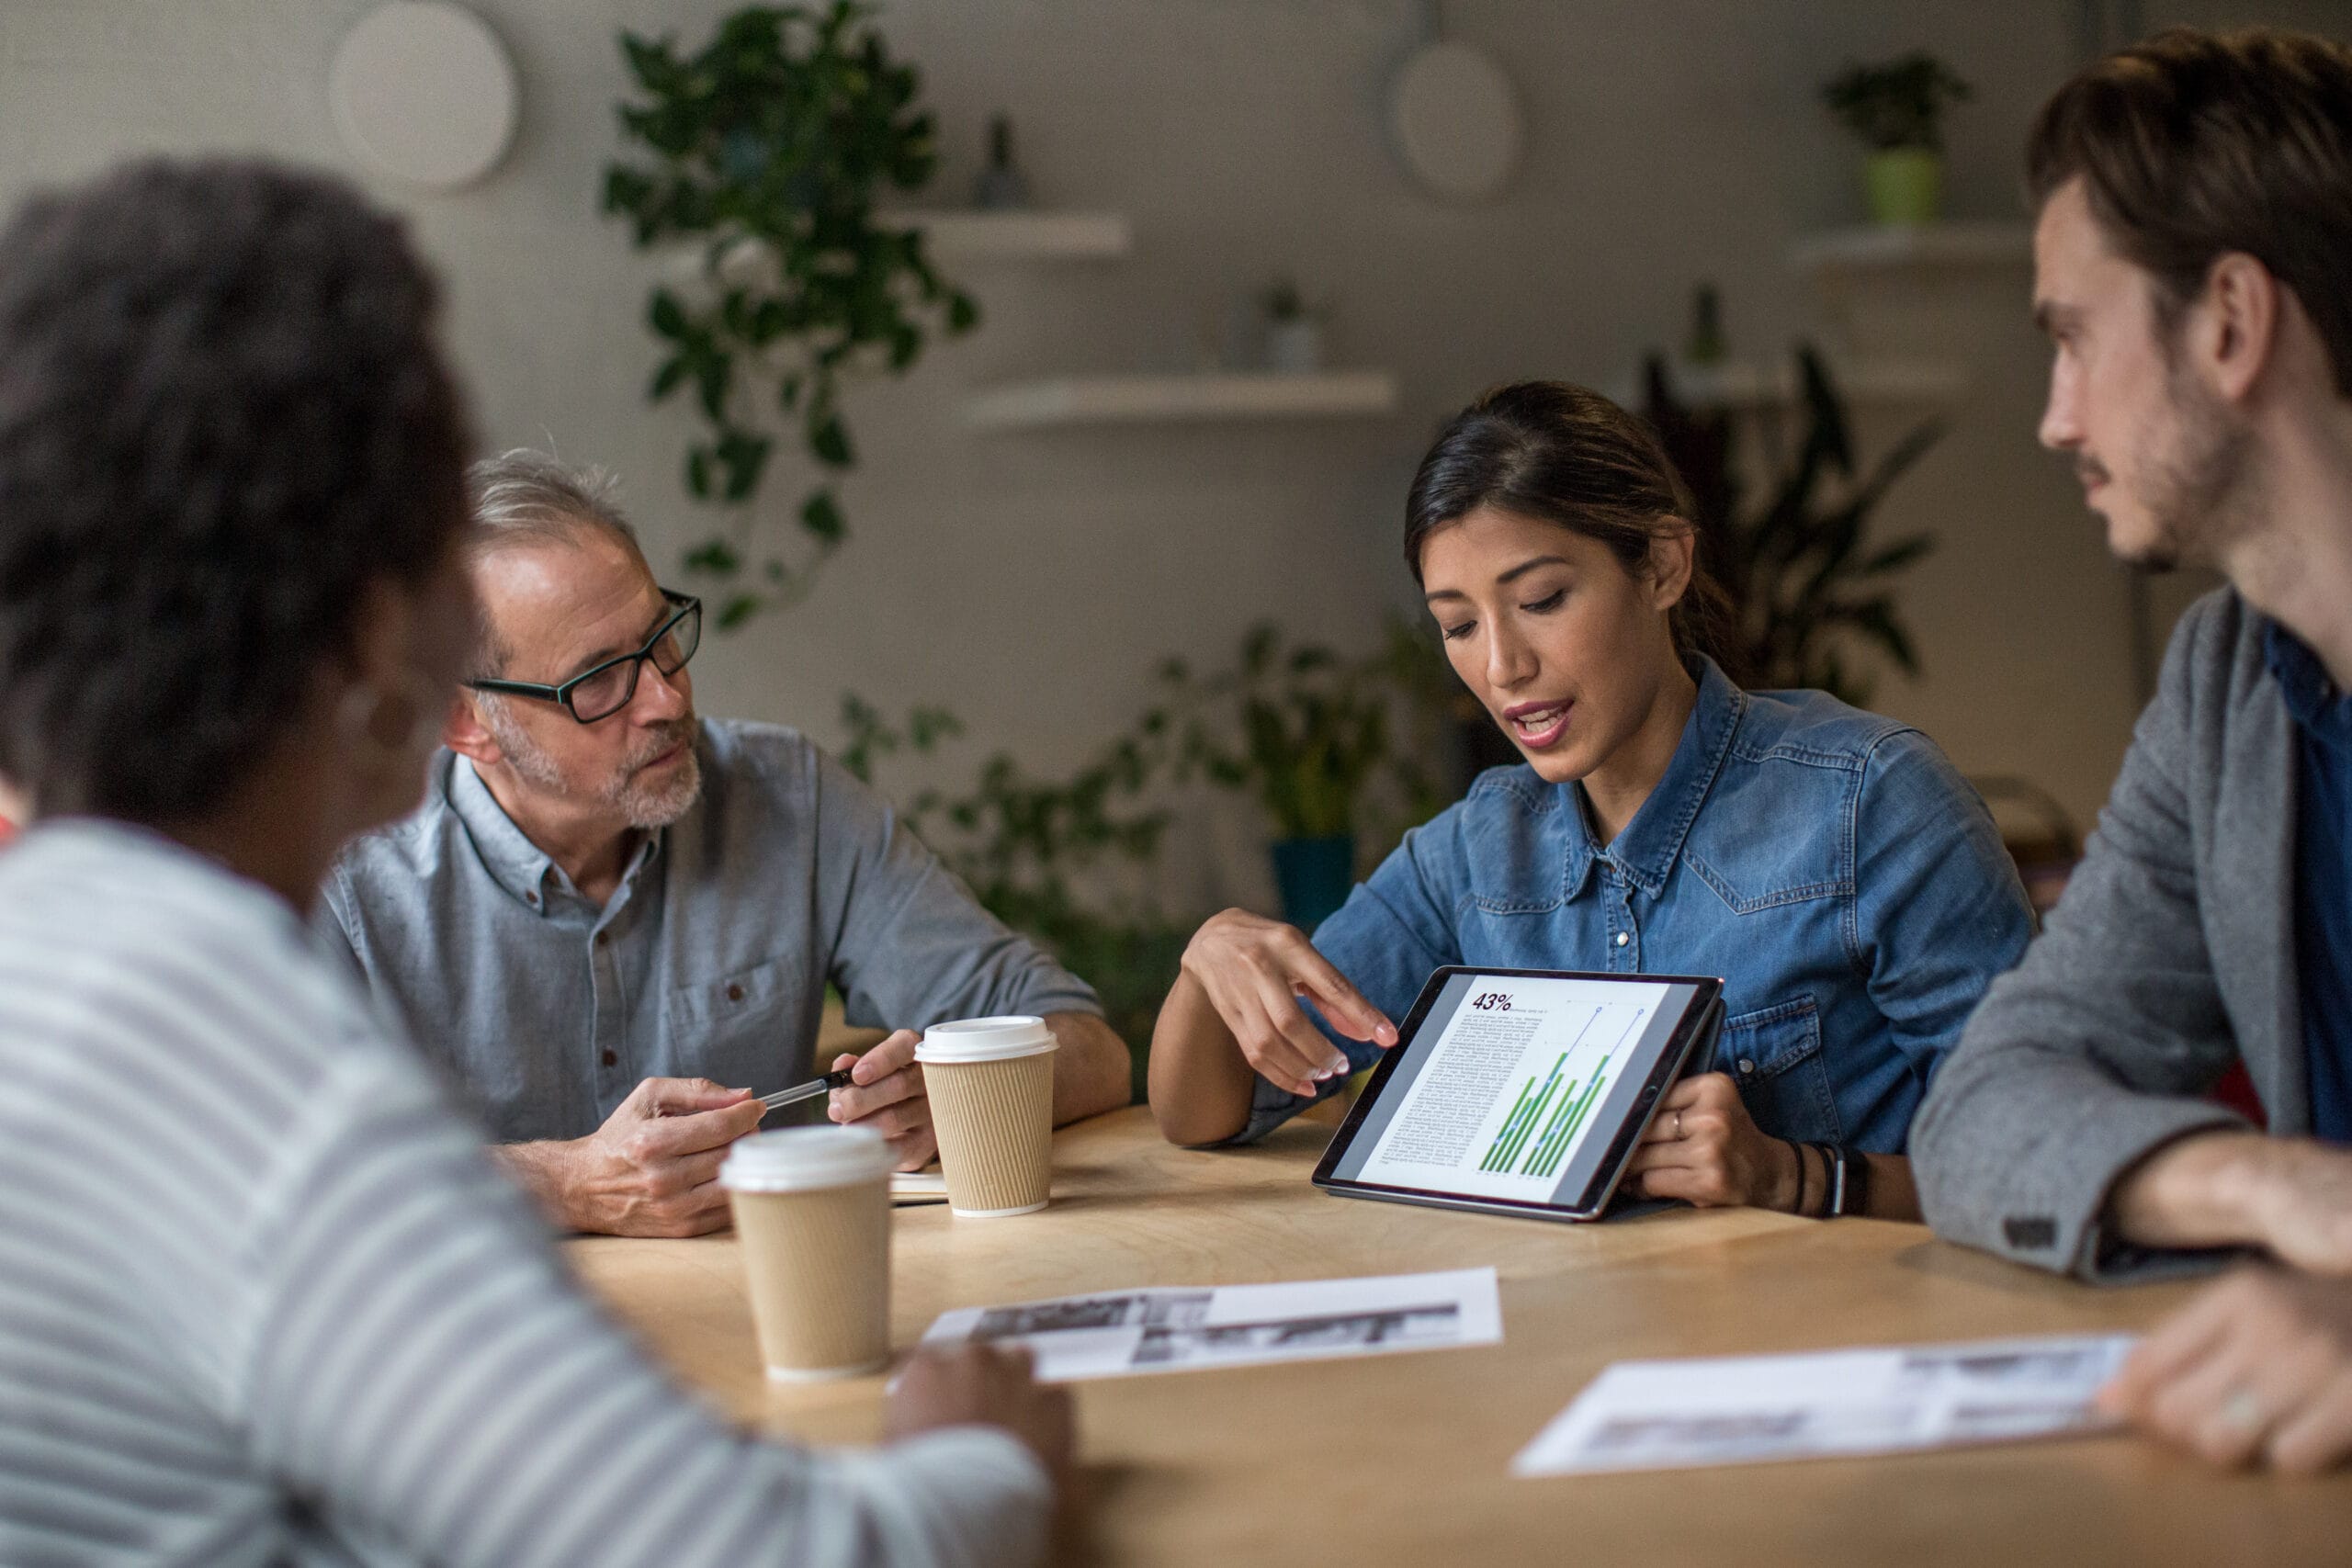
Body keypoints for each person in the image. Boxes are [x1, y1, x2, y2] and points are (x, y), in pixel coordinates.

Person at [0, 156, 1070, 1564]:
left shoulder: (59, 961)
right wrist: (981, 1455)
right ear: (399, 642)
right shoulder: (256, 1077)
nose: (661, 693)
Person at [1149, 379, 2033, 1220]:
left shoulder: (1871, 804)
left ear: (1662, 566)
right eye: (1459, 625)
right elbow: (1207, 1114)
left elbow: (2050, 1159)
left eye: (1541, 599)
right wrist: (1211, 960)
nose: (1502, 667)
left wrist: (1800, 1176)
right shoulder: (1473, 851)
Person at [317, 450, 1133, 1236]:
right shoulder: (349, 881)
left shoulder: (789, 800)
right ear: (466, 721)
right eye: (598, 679)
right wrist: (569, 1182)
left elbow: (1087, 1044)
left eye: (661, 636)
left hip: (771, 1328)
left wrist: (965, 1096)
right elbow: (266, 1183)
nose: (668, 698)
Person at [1914, 27, 2352, 1475]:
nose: (2053, 419)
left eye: (2071, 335)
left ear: (2228, 320)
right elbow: (1987, 1100)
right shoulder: (2228, 687)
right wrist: (2269, 1185)